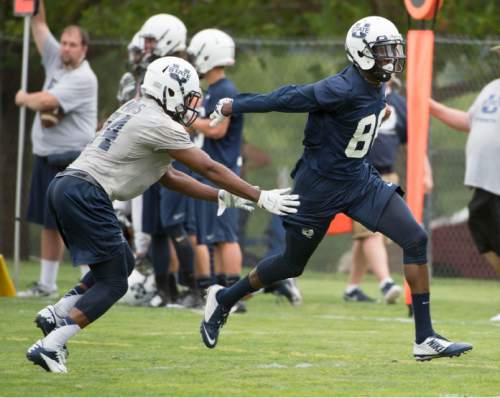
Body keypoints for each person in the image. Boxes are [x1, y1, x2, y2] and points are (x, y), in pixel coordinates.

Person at [199, 16, 472, 361]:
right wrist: (232, 105)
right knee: (290, 264)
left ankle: (425, 337)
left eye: (393, 51)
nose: (391, 59)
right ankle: (223, 299)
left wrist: (377, 118)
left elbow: (357, 119)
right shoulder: (339, 88)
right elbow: (287, 98)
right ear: (361, 53)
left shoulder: (377, 82)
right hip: (319, 187)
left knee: (415, 238)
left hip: (359, 180)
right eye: (384, 52)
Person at [26, 56, 300, 373]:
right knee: (115, 283)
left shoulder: (135, 108)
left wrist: (222, 196)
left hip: (66, 186)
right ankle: (52, 343)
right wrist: (259, 195)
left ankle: (57, 312)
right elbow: (208, 167)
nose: (190, 105)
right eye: (186, 96)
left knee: (121, 264)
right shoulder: (160, 123)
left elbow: (170, 177)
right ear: (168, 91)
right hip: (87, 192)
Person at [15, 0, 98, 297]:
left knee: (74, 222)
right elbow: (38, 24)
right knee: (49, 224)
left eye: (72, 45)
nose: (65, 48)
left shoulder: (83, 77)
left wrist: (24, 98)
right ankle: (47, 284)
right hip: (46, 157)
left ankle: (91, 282)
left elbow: (46, 102)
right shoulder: (55, 61)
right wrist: (34, 3)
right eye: (63, 43)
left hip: (72, 160)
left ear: (83, 49)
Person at [343, 76, 433, 304]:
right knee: (370, 234)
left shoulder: (400, 104)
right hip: (360, 173)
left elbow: (412, 142)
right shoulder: (357, 95)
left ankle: (352, 287)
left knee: (369, 236)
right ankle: (386, 283)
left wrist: (425, 171)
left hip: (387, 174)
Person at [429, 45, 500, 322]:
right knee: (485, 236)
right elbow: (469, 122)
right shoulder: (493, 87)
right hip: (485, 180)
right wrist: (430, 106)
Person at [187, 29, 246, 308]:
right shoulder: (214, 90)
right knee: (215, 236)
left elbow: (218, 129)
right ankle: (224, 293)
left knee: (225, 235)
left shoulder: (225, 91)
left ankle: (233, 295)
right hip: (215, 169)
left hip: (224, 171)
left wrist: (184, 122)